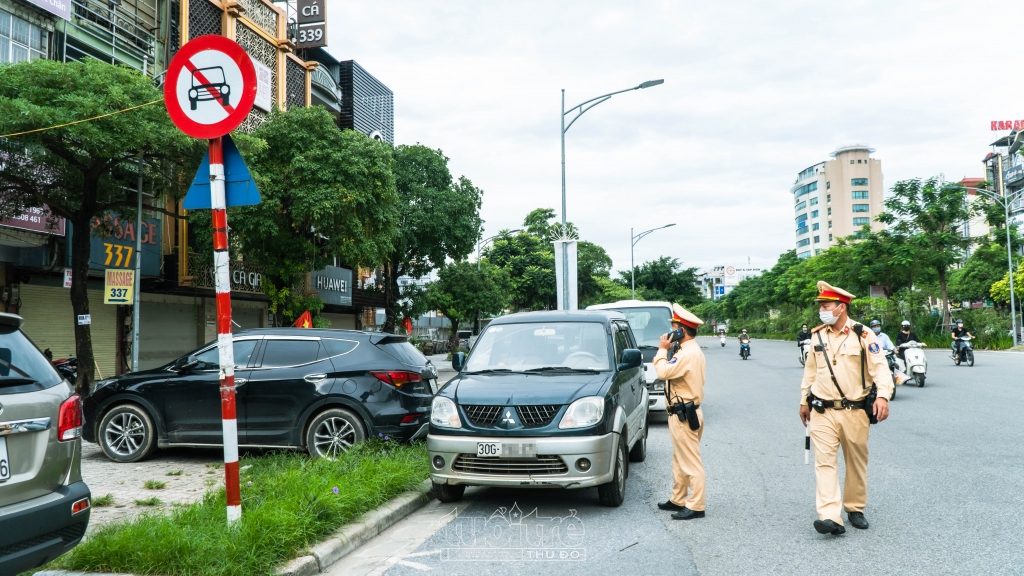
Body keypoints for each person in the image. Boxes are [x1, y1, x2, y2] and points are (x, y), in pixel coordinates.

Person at [799, 281, 894, 536]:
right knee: (825, 463)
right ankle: (830, 516)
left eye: (826, 305)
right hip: (822, 411)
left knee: (856, 461)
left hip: (854, 410)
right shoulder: (817, 335)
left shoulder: (864, 335)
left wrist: (883, 396)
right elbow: (810, 371)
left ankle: (854, 507)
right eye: (820, 305)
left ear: (841, 307)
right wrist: (803, 401)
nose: (821, 309)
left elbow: (880, 369)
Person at [655, 303, 707, 520]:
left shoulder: (686, 354)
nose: (669, 332)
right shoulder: (687, 350)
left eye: (674, 327)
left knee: (690, 461)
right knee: (679, 459)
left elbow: (661, 371)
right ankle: (678, 498)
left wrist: (662, 349)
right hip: (683, 412)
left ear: (681, 331)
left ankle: (696, 505)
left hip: (684, 414)